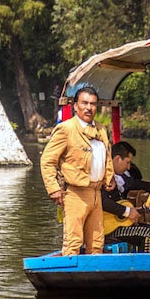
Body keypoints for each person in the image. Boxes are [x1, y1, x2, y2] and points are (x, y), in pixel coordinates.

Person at [40, 86, 115, 256]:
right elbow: (47, 160)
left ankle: (93, 279)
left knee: (97, 244)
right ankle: (67, 278)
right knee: (73, 242)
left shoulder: (101, 129)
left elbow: (107, 156)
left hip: (96, 192)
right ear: (75, 106)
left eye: (93, 104)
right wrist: (54, 189)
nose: (89, 107)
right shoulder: (66, 129)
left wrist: (109, 178)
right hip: (75, 193)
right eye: (85, 103)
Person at [102, 142, 150, 252]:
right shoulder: (101, 176)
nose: (129, 167)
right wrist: (127, 212)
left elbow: (134, 183)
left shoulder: (119, 177)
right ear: (117, 158)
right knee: (149, 232)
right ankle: (145, 267)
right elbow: (103, 202)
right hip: (107, 228)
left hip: (121, 222)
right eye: (127, 162)